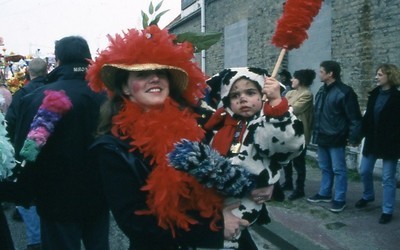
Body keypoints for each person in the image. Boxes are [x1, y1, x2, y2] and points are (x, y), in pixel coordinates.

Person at [86, 25, 284, 249]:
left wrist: (265, 184)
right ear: (126, 88)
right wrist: (217, 228)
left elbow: (237, 158)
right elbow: (135, 224)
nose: (155, 79)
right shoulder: (112, 148)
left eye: (161, 73)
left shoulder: (199, 122)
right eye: (142, 74)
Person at [8, 36, 109, 250]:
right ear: (88, 58)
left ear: (59, 61)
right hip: (100, 194)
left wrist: (24, 192)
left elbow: (25, 151)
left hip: (55, 198)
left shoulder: (35, 97)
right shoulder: (109, 96)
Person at [201, 67, 305, 247]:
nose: (242, 98)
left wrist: (276, 107)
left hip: (248, 197)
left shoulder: (263, 124)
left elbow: (288, 143)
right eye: (235, 96)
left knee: (231, 235)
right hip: (216, 195)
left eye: (250, 92)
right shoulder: (221, 126)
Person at [307, 60, 362, 213]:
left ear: (330, 74)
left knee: (339, 169)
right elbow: (318, 113)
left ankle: (339, 199)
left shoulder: (345, 92)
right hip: (322, 135)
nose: (319, 74)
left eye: (321, 71)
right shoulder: (322, 90)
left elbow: (354, 117)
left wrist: (354, 138)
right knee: (324, 167)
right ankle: (324, 193)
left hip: (336, 137)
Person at [5, 57, 47, 250]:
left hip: (26, 151)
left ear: (29, 72)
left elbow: (10, 124)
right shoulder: (55, 89)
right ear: (46, 71)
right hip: (50, 151)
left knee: (28, 194)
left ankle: (35, 240)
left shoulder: (22, 93)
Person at [355, 63, 400, 224]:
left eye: (380, 74)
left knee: (388, 177)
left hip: (390, 142)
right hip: (372, 139)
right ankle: (368, 195)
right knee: (364, 170)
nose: (376, 77)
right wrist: (359, 136)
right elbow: (367, 119)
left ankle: (387, 209)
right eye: (377, 74)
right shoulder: (374, 94)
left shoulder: (397, 97)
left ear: (390, 76)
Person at [281, 69, 315, 200]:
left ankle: (299, 188)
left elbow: (293, 109)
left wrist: (285, 106)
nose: (291, 80)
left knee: (299, 162)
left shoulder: (307, 94)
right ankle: (288, 182)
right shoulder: (290, 92)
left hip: (299, 133)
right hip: (286, 131)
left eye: (294, 78)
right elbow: (282, 105)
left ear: (301, 80)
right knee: (287, 160)